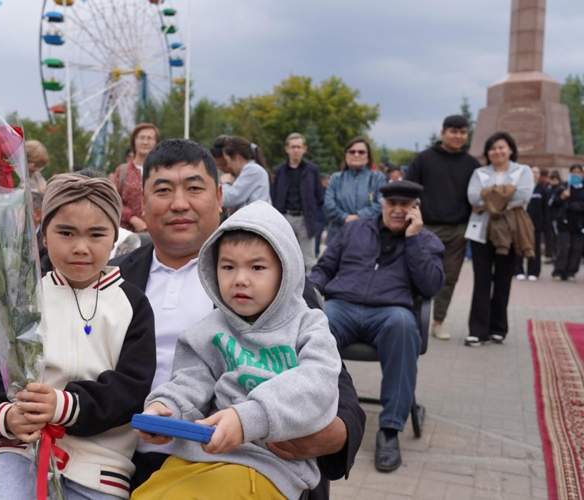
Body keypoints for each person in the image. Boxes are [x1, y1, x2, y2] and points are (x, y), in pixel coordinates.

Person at [113, 139, 365, 500]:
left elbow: (332, 386)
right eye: (163, 190)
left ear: (219, 196)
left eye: (194, 188)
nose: (179, 203)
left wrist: (330, 436)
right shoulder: (112, 279)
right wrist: (163, 409)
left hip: (257, 462)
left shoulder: (280, 290)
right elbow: (191, 378)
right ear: (143, 201)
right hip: (135, 459)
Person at [0, 174, 156, 500]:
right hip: (20, 448)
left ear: (114, 238)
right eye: (65, 232)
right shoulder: (18, 300)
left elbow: (132, 389)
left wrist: (64, 405)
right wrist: (7, 417)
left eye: (96, 234)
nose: (80, 247)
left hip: (101, 462)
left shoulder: (131, 304)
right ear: (44, 236)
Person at [133, 201, 341, 500]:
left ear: (286, 270)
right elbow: (190, 382)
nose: (240, 279)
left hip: (269, 466)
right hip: (198, 454)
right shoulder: (209, 329)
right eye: (228, 267)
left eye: (257, 267)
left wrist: (248, 419)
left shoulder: (308, 324)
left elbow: (317, 385)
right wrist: (167, 410)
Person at [309, 180, 445, 473]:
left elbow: (431, 286)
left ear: (415, 209)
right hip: (342, 306)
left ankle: (390, 429)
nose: (397, 210)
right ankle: (311, 413)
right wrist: (307, 293)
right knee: (316, 324)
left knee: (403, 325)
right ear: (382, 204)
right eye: (392, 204)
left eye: (405, 205)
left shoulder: (426, 241)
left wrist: (414, 240)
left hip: (390, 311)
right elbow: (324, 268)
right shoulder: (355, 229)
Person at [406, 115, 480, 340]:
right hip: (427, 228)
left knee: (450, 277)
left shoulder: (472, 164)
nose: (457, 136)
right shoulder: (424, 159)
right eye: (453, 131)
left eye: (462, 132)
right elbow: (410, 189)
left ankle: (438, 321)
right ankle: (413, 319)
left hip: (458, 230)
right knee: (417, 274)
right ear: (443, 133)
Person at [465, 132, 533, 347]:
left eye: (501, 147)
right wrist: (504, 194)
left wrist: (488, 198)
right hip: (481, 232)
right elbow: (472, 197)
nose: (497, 151)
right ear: (487, 153)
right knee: (482, 281)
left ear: (510, 149)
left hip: (510, 232)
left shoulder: (523, 171)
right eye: (492, 148)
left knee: (503, 281)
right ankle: (478, 330)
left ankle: (498, 328)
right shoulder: (479, 172)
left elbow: (522, 196)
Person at [271, 132, 325, 272]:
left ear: (304, 149)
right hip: (285, 217)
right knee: (283, 256)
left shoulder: (312, 170)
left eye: (299, 147)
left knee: (309, 260)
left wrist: (316, 221)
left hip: (305, 219)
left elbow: (320, 197)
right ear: (287, 149)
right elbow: (274, 195)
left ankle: (309, 292)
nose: (296, 150)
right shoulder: (279, 171)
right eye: (293, 147)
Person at [323, 137, 386, 242]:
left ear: (368, 157)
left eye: (361, 152)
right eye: (352, 151)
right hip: (338, 235)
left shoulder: (377, 178)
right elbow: (329, 204)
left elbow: (381, 204)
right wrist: (344, 217)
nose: (356, 154)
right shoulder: (336, 178)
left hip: (368, 235)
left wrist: (359, 217)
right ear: (346, 155)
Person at [110, 123, 160, 232]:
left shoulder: (161, 171)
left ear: (156, 143)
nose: (145, 142)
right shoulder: (122, 171)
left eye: (150, 138)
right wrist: (132, 219)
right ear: (134, 141)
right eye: (141, 138)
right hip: (127, 233)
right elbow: (113, 199)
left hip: (157, 232)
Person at [211, 135, 271, 211]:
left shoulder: (252, 170)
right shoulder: (247, 171)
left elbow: (229, 198)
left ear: (237, 157)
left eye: (228, 161)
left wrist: (226, 183)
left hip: (254, 219)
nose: (228, 166)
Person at [550, 164, 584, 281]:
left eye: (578, 172)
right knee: (563, 247)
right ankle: (558, 271)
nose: (576, 174)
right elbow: (553, 203)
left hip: (579, 224)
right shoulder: (563, 187)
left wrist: (575, 206)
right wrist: (562, 197)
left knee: (576, 248)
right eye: (573, 172)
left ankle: (571, 272)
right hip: (564, 222)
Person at [515, 167, 547, 280]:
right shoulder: (521, 188)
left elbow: (545, 209)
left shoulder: (542, 190)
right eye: (532, 172)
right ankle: (518, 270)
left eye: (537, 172)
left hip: (536, 225)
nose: (535, 174)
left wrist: (544, 224)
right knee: (519, 246)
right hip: (521, 223)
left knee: (535, 248)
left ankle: (533, 271)